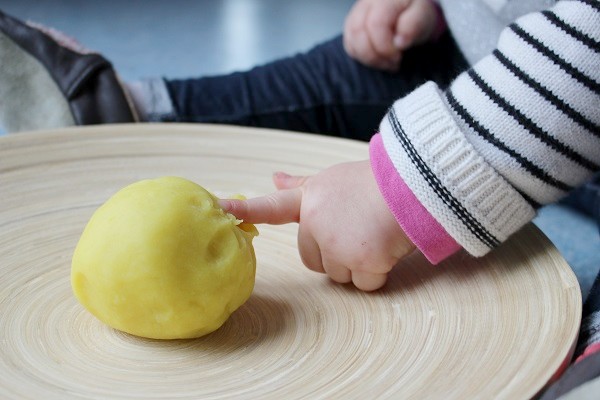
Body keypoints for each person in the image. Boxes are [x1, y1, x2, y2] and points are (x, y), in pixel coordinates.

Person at [0, 1, 599, 397]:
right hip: (482, 53)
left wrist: (410, 182)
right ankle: (138, 111)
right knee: (336, 78)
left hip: (571, 77)